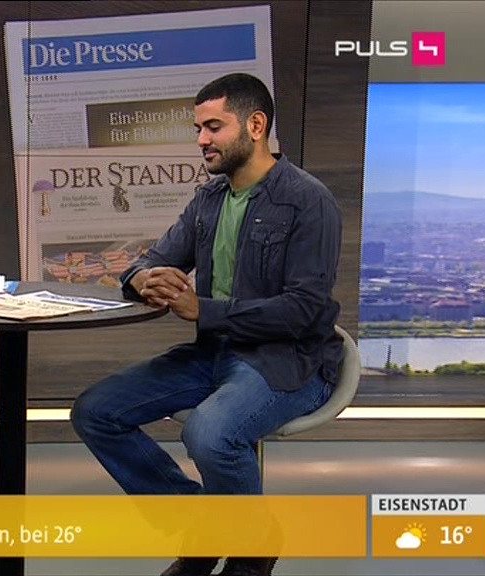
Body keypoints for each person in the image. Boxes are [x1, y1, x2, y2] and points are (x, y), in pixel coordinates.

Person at [70, 73, 343, 576]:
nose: (201, 140)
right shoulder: (210, 199)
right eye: (198, 128)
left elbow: (305, 309)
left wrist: (205, 310)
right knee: (95, 411)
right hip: (213, 355)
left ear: (255, 126)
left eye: (214, 127)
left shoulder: (308, 200)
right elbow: (152, 260)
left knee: (209, 434)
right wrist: (142, 277)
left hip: (290, 361)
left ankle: (249, 553)